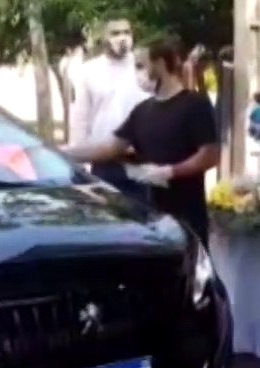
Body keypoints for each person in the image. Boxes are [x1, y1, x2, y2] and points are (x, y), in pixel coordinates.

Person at [64, 38, 220, 244]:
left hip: (187, 218)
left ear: (160, 64)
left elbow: (210, 155)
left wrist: (171, 171)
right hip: (152, 220)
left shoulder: (194, 106)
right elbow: (109, 148)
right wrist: (58, 152)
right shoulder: (142, 111)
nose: (137, 73)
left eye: (141, 66)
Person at [68, 18, 149, 199]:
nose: (122, 38)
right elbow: (81, 120)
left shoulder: (145, 67)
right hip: (105, 162)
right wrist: (79, 163)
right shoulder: (89, 71)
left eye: (127, 32)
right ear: (104, 37)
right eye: (115, 33)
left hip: (142, 161)